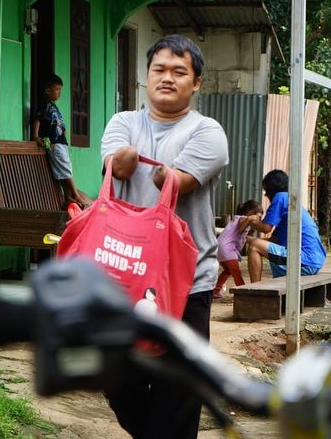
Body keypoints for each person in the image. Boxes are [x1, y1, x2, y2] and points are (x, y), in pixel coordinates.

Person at [100, 34, 229, 438]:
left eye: (179, 71)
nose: (167, 78)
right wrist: (121, 161)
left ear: (197, 83)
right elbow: (115, 168)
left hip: (185, 281)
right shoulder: (122, 122)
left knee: (178, 388)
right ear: (145, 77)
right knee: (119, 380)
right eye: (159, 69)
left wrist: (151, 167)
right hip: (125, 277)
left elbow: (174, 183)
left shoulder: (208, 133)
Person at [245, 169, 326, 282]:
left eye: (266, 192)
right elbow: (274, 241)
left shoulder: (280, 197)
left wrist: (249, 220)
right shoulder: (290, 202)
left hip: (305, 259)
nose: (266, 196)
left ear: (270, 190)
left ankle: (255, 290)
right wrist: (245, 238)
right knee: (256, 244)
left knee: (254, 246)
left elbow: (265, 228)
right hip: (314, 262)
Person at [33, 74, 88, 207]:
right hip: (54, 143)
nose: (59, 93)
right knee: (65, 170)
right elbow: (37, 120)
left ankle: (68, 196)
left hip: (61, 143)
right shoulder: (44, 104)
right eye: (57, 89)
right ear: (47, 90)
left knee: (64, 169)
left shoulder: (53, 106)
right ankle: (75, 195)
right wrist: (36, 137)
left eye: (60, 90)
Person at [212, 199, 264, 299]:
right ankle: (243, 293)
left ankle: (215, 291)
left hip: (221, 248)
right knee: (237, 273)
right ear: (251, 213)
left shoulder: (244, 221)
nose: (259, 219)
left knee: (228, 271)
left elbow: (246, 234)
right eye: (258, 216)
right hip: (227, 250)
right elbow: (240, 229)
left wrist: (252, 227)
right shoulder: (242, 218)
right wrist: (249, 219)